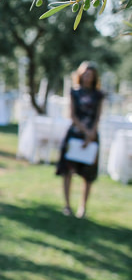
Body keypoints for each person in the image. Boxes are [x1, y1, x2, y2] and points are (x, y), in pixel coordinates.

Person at [56, 61, 105, 219]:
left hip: (92, 135)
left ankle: (83, 207)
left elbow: (98, 116)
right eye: (85, 73)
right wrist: (85, 132)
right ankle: (67, 205)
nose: (87, 76)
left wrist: (91, 134)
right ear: (80, 75)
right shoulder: (74, 92)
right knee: (68, 171)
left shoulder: (98, 95)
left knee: (88, 175)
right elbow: (73, 115)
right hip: (75, 134)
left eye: (90, 74)